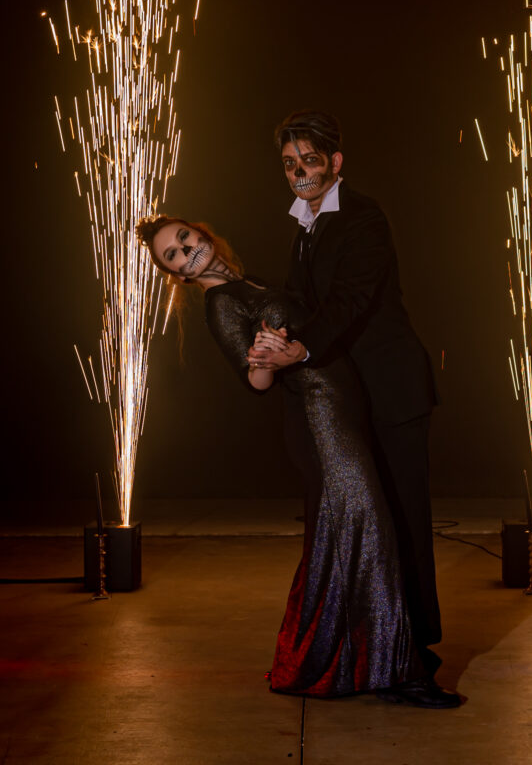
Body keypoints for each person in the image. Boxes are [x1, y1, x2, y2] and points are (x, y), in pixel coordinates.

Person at [135, 216, 458, 706]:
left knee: (348, 541)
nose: (186, 251)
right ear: (175, 275)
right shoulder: (222, 303)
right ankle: (398, 673)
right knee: (371, 534)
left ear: (203, 234)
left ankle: (337, 660)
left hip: (343, 416)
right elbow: (255, 383)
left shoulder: (249, 281)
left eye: (185, 239)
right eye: (173, 255)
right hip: (322, 426)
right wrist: (262, 359)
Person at [249, 110, 454, 707]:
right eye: (289, 164)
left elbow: (350, 302)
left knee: (405, 528)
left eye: (309, 160)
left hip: (392, 393)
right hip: (350, 401)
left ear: (334, 163)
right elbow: (304, 301)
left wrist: (299, 349)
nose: (299, 173)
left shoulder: (361, 217)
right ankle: (374, 653)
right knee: (368, 531)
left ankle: (420, 661)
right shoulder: (305, 226)